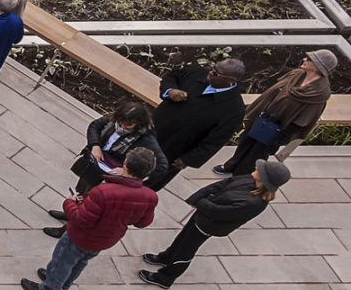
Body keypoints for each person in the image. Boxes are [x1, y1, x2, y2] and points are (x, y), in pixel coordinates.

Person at [21, 146, 157, 290]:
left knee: (63, 260)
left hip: (82, 236)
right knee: (80, 262)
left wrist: (69, 203)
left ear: (125, 163)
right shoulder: (150, 196)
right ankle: (61, 285)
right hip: (106, 239)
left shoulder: (103, 192)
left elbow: (80, 219)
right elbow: (142, 222)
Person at [140, 158, 288, 288]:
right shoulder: (249, 179)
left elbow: (222, 213)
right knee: (182, 238)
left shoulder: (254, 202)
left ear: (265, 178)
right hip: (203, 215)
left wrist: (201, 202)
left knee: (186, 250)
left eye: (261, 170)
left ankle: (165, 277)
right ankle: (167, 257)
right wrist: (197, 197)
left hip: (209, 225)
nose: (256, 168)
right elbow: (223, 184)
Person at [217, 50, 335, 176]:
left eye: (309, 59)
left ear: (318, 66)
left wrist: (279, 139)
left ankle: (240, 177)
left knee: (257, 153)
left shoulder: (319, 93)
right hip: (263, 116)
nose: (305, 59)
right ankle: (231, 165)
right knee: (246, 142)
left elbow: (304, 119)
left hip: (278, 127)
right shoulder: (297, 74)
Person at [148, 58, 245, 190]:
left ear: (230, 81)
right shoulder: (198, 73)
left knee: (150, 180)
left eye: (216, 73)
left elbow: (215, 141)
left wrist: (188, 159)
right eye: (213, 68)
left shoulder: (234, 109)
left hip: (171, 150)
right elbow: (172, 75)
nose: (210, 73)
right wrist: (170, 90)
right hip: (149, 131)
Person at [54, 100, 167, 205]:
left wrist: (127, 171)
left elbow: (162, 165)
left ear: (138, 123)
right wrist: (95, 145)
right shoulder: (114, 119)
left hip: (108, 175)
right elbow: (94, 126)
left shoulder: (146, 138)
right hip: (94, 164)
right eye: (121, 122)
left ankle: (73, 221)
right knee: (79, 192)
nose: (122, 126)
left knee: (90, 201)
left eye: (128, 125)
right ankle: (70, 213)